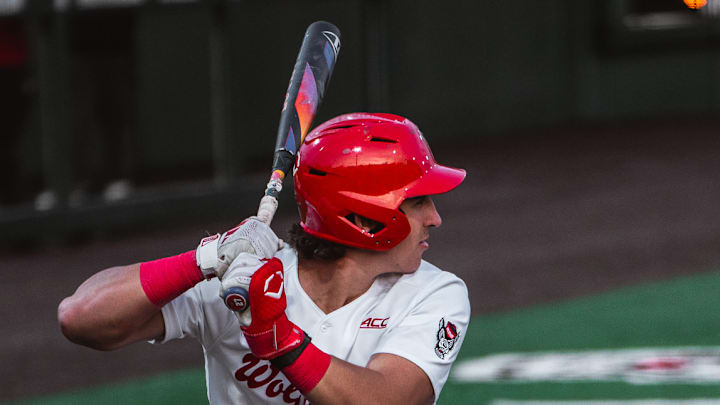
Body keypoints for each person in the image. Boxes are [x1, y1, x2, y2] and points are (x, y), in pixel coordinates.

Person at [58, 112, 470, 404]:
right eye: (418, 203)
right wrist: (205, 258)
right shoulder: (244, 277)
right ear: (364, 217)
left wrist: (280, 339)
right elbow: (81, 318)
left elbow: (387, 400)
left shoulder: (435, 294)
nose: (435, 218)